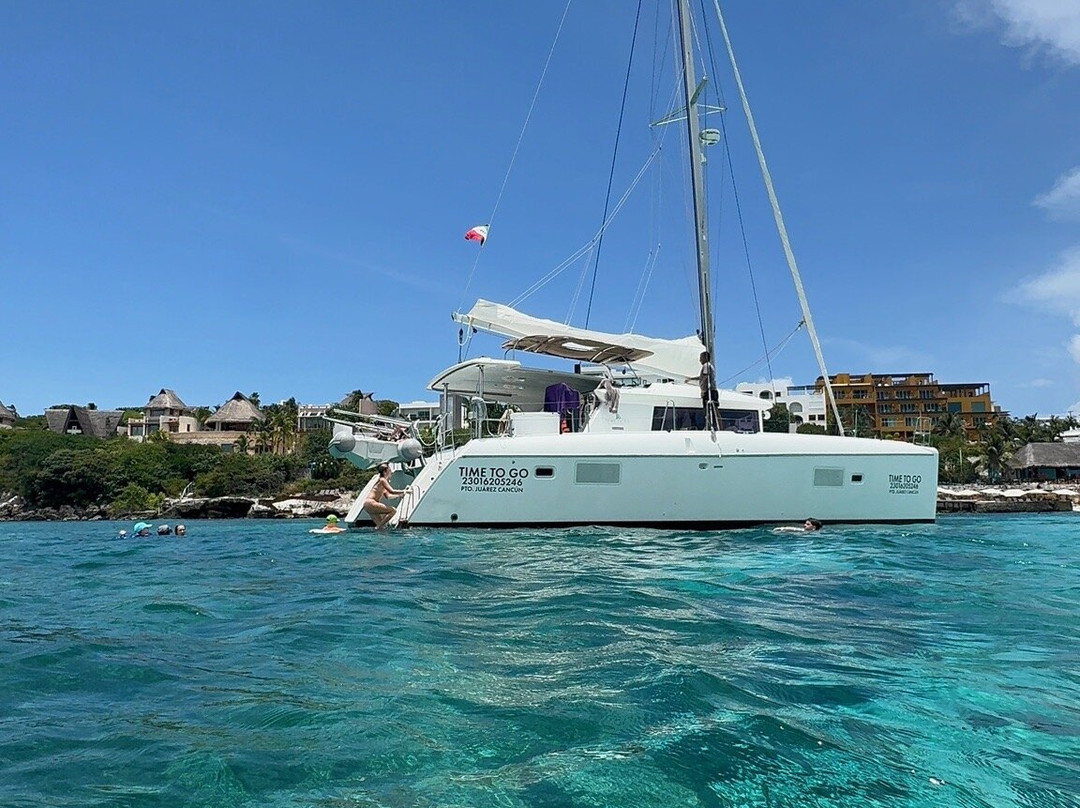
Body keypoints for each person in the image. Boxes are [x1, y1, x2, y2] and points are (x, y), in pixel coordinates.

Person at [364, 464, 407, 529]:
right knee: (393, 510)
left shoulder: (381, 482)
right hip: (371, 503)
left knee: (382, 528)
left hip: (368, 505)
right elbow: (392, 491)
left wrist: (399, 495)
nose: (391, 472)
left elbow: (388, 496)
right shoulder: (382, 480)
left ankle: (379, 529)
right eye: (389, 470)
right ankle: (378, 527)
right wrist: (405, 491)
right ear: (385, 472)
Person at [687, 350, 718, 428]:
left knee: (708, 410)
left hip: (709, 391)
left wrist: (704, 390)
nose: (700, 360)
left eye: (701, 358)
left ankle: (709, 426)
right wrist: (691, 379)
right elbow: (702, 377)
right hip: (713, 391)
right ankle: (713, 426)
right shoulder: (709, 366)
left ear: (705, 358)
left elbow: (705, 377)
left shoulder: (706, 366)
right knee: (712, 410)